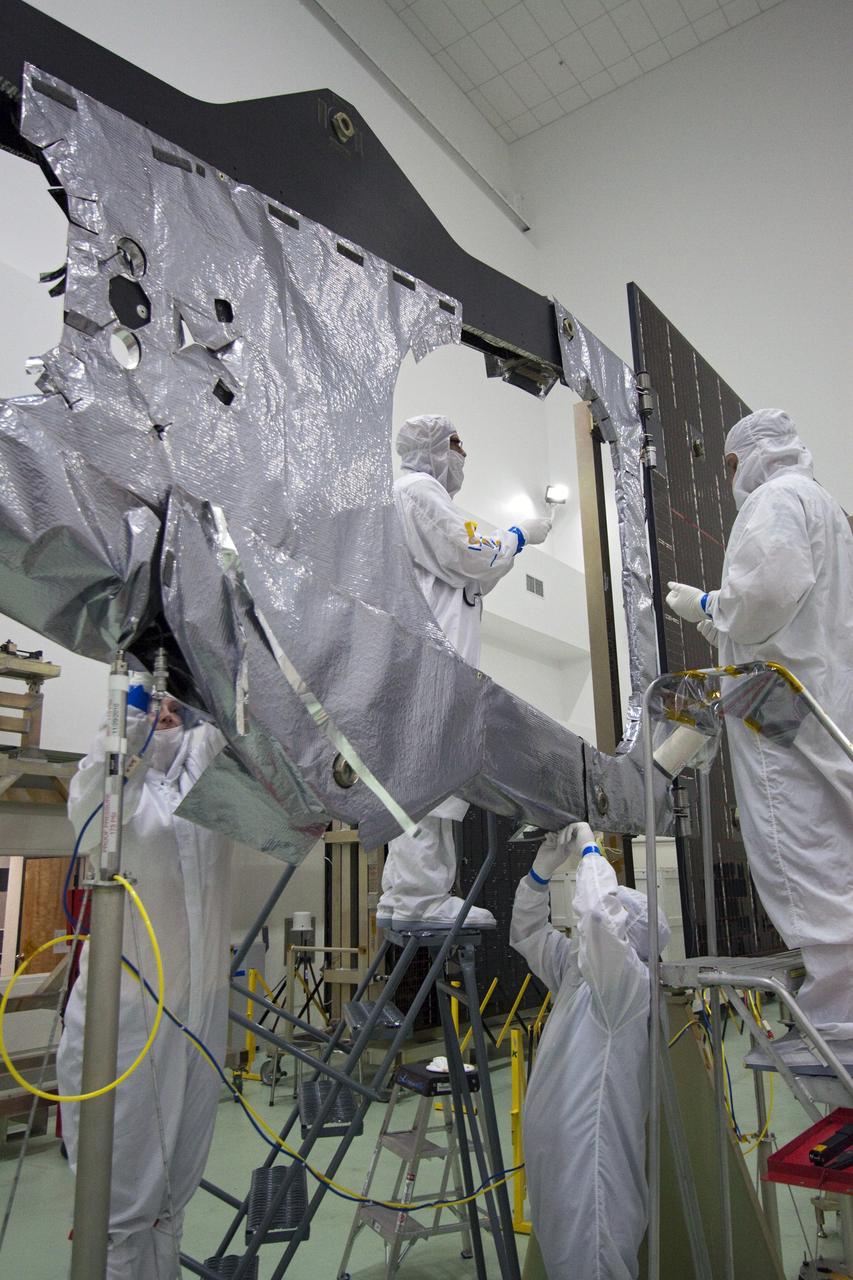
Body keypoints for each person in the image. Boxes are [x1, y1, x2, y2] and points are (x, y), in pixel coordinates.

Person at [666, 408, 853, 1041]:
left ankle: (836, 1020)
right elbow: (793, 614)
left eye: (728, 466)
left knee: (798, 845)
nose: (729, 479)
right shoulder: (824, 507)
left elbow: (765, 597)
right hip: (814, 700)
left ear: (743, 457)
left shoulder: (773, 500)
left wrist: (711, 604)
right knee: (830, 843)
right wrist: (713, 622)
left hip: (780, 709)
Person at [57, 690, 234, 1279]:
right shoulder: (117, 791)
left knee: (170, 1201)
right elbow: (90, 814)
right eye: (154, 703)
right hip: (127, 1023)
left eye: (176, 705)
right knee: (119, 1207)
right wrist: (130, 710)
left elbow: (235, 736)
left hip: (200, 1019)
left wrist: (214, 690)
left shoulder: (203, 784)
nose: (166, 711)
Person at [377, 413, 552, 930]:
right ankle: (416, 898)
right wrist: (516, 534)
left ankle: (408, 894)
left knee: (433, 777)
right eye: (455, 443)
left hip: (436, 665)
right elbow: (469, 555)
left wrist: (507, 548)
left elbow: (473, 575)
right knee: (429, 780)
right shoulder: (417, 492)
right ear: (430, 446)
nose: (463, 454)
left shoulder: (429, 502)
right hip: (429, 665)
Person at [511, 822, 670, 1280]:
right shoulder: (578, 975)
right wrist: (539, 874)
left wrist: (590, 852)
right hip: (557, 1156)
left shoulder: (625, 988)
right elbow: (528, 934)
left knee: (591, 1262)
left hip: (590, 1168)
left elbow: (599, 918)